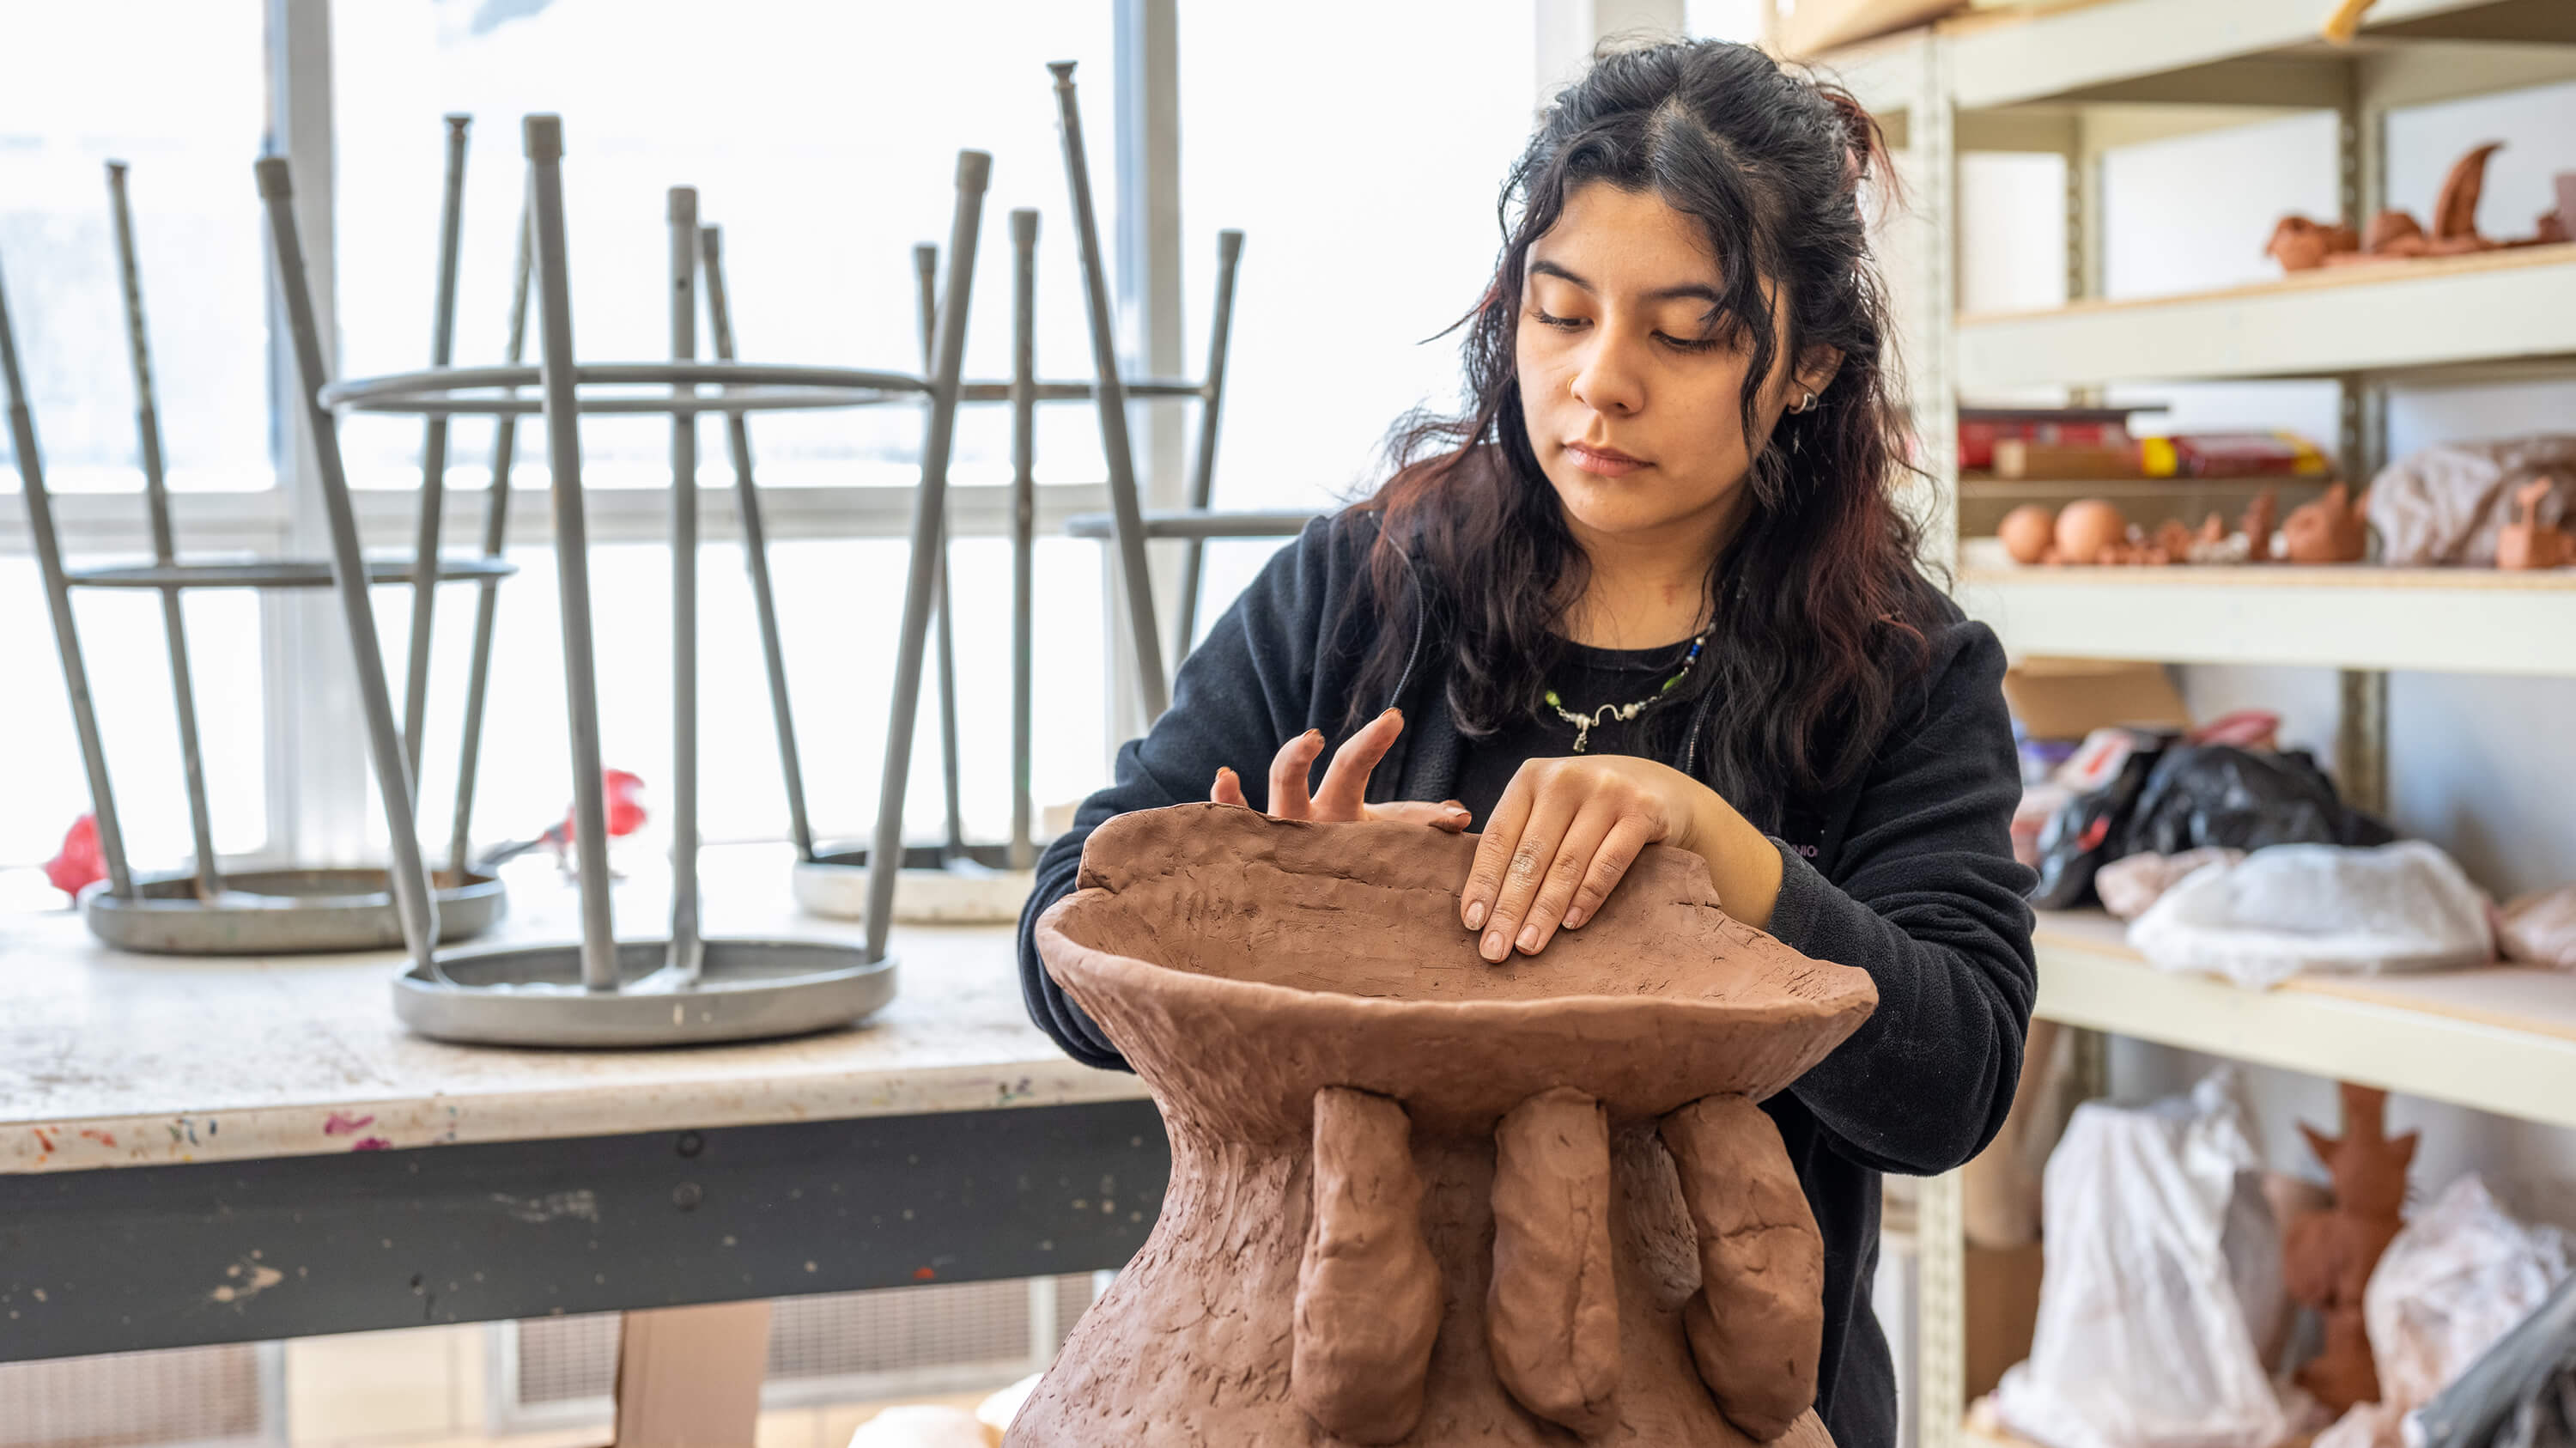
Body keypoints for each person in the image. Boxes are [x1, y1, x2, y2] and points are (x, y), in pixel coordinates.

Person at [1016, 37, 2035, 1447]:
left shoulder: (1902, 668)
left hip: (1721, 1409)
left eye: (1687, 334)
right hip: (1330, 1398)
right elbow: (1061, 942)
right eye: (1562, 313)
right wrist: (1263, 902)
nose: (1600, 381)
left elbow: (1953, 1086)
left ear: (1807, 363)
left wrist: (1730, 860)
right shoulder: (1357, 590)